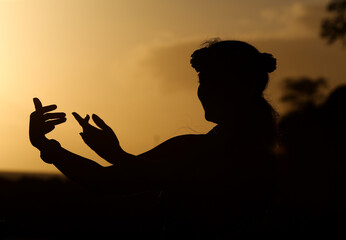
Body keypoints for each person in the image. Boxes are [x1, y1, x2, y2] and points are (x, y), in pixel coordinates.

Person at [29, 39, 278, 239]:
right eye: (203, 81)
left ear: (240, 87)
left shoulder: (246, 154)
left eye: (213, 82)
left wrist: (116, 154)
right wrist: (47, 146)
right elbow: (107, 181)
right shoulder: (198, 146)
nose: (205, 91)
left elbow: (180, 177)